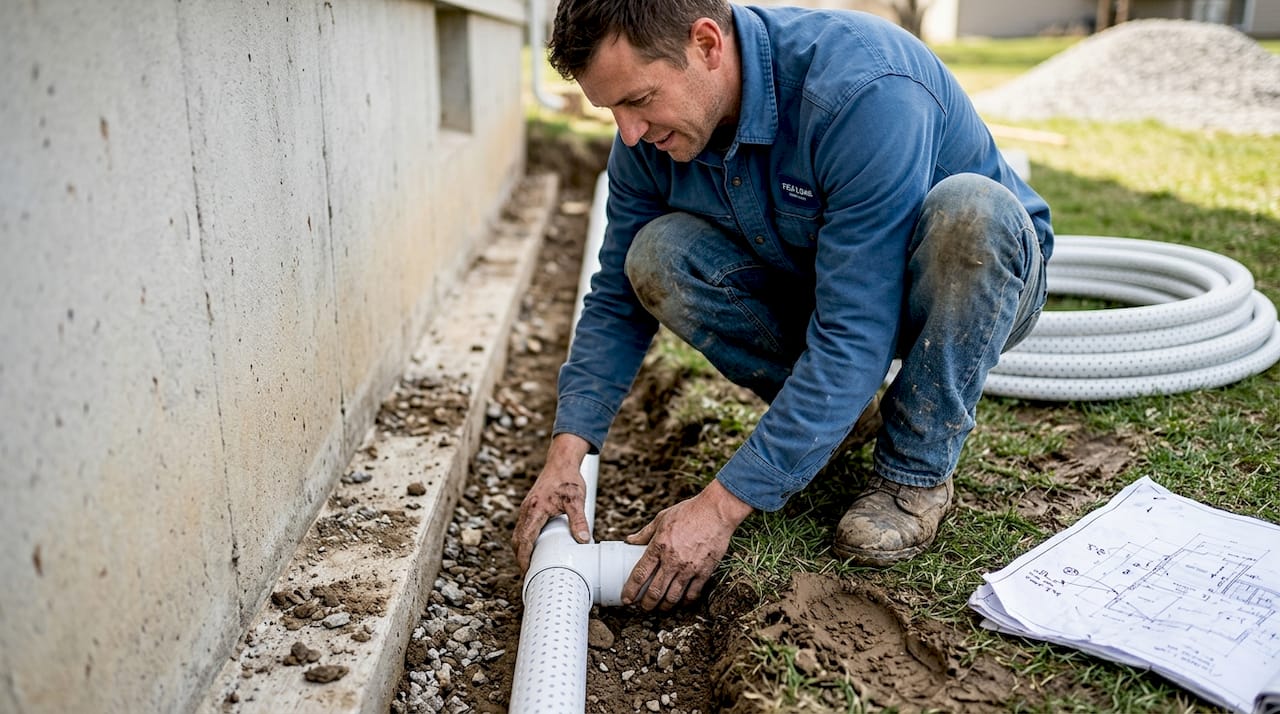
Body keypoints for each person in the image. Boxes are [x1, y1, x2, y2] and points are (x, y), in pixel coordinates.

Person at [512, 0, 1052, 612]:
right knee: (655, 256)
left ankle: (914, 474)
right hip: (822, 276)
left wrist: (718, 509)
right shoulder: (646, 137)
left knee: (971, 214)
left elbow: (856, 333)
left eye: (637, 100)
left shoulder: (861, 93)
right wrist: (567, 453)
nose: (628, 132)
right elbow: (615, 297)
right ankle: (838, 420)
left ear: (707, 45)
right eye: (611, 110)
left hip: (965, 276)